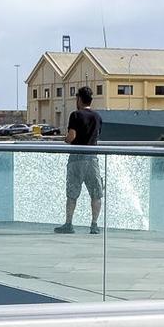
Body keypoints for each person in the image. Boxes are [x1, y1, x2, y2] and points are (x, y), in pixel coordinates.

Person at [55, 87, 103, 234]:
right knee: (96, 192)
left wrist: (65, 140)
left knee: (72, 192)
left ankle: (69, 224)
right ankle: (94, 225)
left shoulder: (75, 115)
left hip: (76, 158)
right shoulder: (97, 117)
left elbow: (72, 136)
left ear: (79, 99)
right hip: (93, 157)